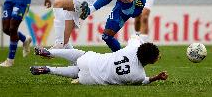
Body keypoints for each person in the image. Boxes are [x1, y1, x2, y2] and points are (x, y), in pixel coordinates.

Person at [30, 35, 168, 85]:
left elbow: (134, 36)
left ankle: (50, 51)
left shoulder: (133, 47)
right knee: (76, 72)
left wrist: (140, 39)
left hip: (92, 60)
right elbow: (144, 81)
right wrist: (156, 78)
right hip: (91, 79)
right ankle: (48, 69)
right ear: (150, 61)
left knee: (79, 55)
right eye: (157, 56)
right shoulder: (138, 75)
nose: (159, 56)